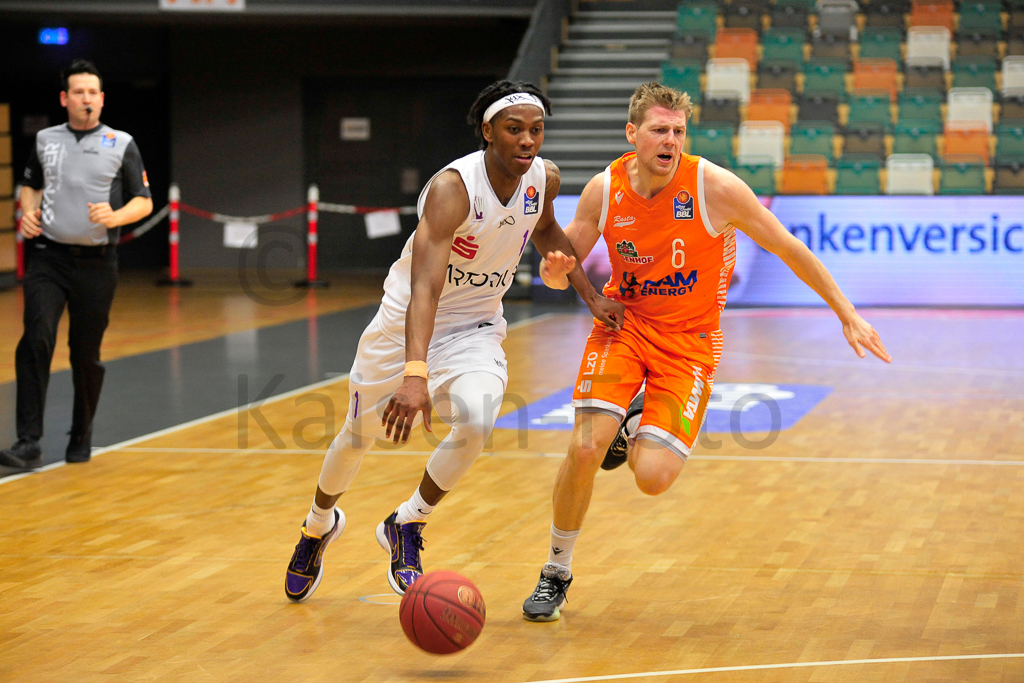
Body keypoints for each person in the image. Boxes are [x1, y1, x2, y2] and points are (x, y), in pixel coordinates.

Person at [521, 82, 891, 622]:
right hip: (624, 327)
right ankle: (555, 571)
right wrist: (556, 275)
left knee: (653, 478)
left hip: (689, 346)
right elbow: (567, 260)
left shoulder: (714, 187)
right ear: (633, 134)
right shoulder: (606, 188)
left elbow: (788, 246)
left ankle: (634, 424)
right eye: (658, 131)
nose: (670, 140)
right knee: (583, 447)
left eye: (678, 131)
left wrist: (846, 312)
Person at [284, 80, 625, 602]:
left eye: (536, 130)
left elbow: (548, 232)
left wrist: (590, 294)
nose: (527, 140)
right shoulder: (453, 190)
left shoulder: (544, 178)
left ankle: (406, 524)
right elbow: (425, 287)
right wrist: (414, 374)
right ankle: (316, 526)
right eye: (515, 130)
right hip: (406, 324)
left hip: (476, 326)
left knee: (480, 416)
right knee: (358, 435)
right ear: (488, 131)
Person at [0, 60, 153, 470]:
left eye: (93, 92)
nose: (86, 98)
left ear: (101, 99)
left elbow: (144, 199)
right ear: (65, 99)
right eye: (78, 92)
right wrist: (27, 211)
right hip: (48, 258)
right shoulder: (46, 140)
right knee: (36, 339)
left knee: (85, 354)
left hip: (97, 264)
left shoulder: (122, 143)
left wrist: (115, 217)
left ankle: (80, 434)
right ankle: (28, 440)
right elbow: (30, 186)